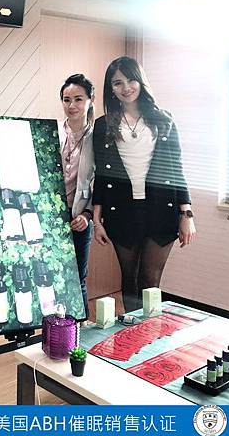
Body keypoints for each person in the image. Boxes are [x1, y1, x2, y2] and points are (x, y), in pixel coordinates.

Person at [92, 56, 196, 313]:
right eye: (117, 83)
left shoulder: (163, 120)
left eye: (131, 80)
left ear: (140, 81)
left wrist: (187, 215)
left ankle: (150, 330)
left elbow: (176, 168)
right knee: (129, 278)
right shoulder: (104, 125)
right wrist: (96, 220)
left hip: (161, 208)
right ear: (111, 88)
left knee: (150, 280)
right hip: (122, 209)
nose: (126, 87)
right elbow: (102, 176)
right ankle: (131, 329)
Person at [59, 73, 96, 320]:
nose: (71, 105)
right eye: (66, 99)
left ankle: (80, 333)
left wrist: (88, 214)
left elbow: (101, 183)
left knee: (77, 278)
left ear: (90, 100)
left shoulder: (97, 137)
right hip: (50, 218)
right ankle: (53, 332)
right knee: (51, 277)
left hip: (79, 217)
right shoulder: (52, 131)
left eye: (78, 99)